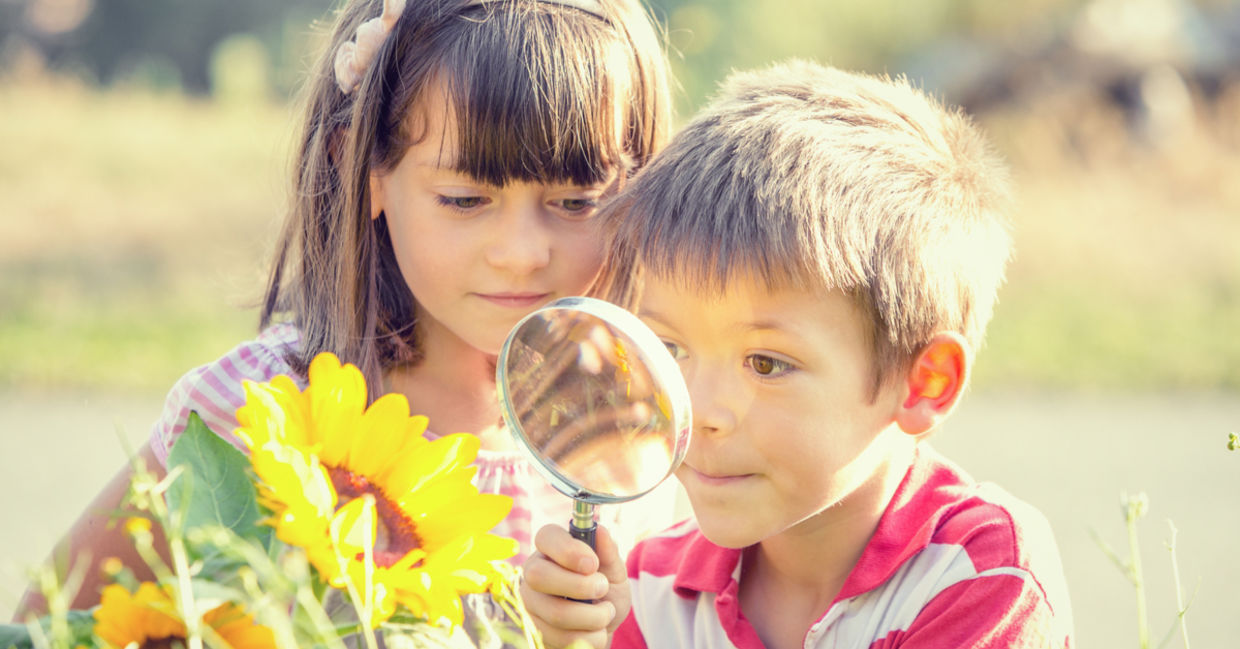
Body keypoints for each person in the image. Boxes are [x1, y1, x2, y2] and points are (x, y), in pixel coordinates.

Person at [14, 0, 676, 625]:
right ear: (365, 171)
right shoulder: (257, 413)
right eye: (465, 199)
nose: (523, 253)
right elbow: (49, 622)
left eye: (577, 201)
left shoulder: (629, 433)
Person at [520, 60, 1074, 649]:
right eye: (671, 348)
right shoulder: (650, 589)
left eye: (765, 363)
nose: (698, 410)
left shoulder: (976, 575)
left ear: (924, 383)